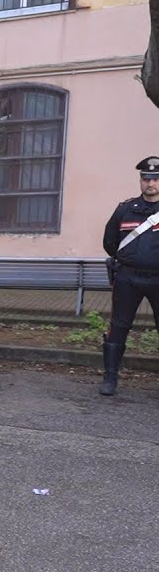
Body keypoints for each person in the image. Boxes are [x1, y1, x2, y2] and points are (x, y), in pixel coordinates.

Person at [98, 156, 159, 396]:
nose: (150, 183)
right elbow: (109, 241)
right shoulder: (125, 209)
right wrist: (129, 260)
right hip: (128, 279)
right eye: (146, 179)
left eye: (155, 179)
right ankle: (110, 379)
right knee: (118, 327)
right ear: (140, 181)